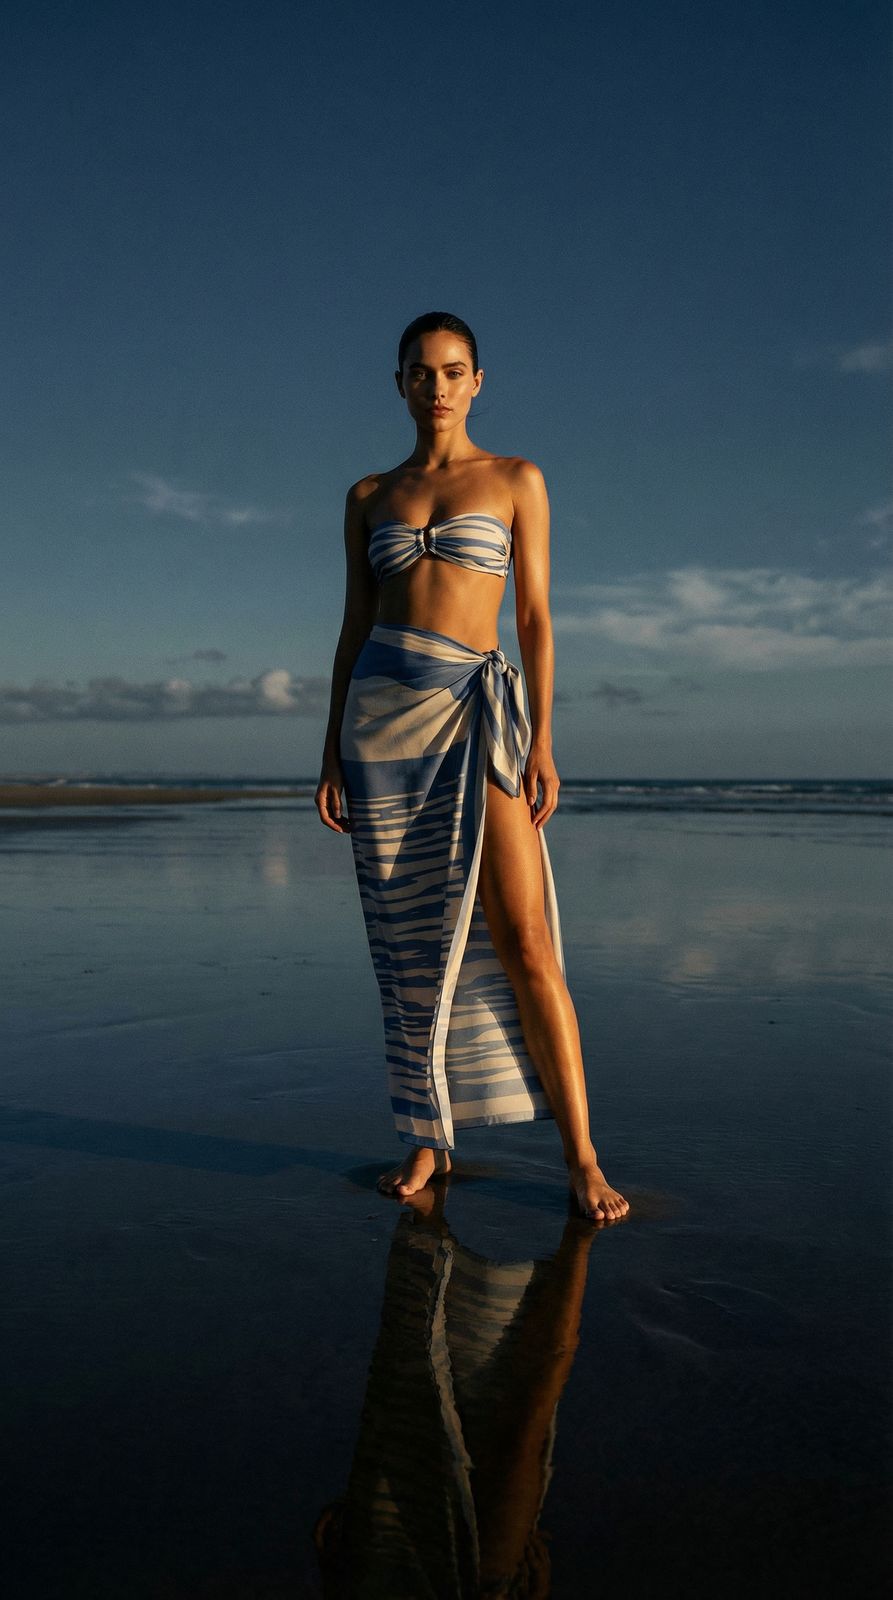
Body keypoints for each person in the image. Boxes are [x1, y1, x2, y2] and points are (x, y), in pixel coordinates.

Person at [315, 311, 629, 1222]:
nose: (437, 386)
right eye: (420, 372)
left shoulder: (516, 479)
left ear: (477, 381)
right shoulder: (368, 495)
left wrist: (543, 741)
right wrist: (329, 745)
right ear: (401, 383)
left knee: (527, 940)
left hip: (479, 714)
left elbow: (533, 618)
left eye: (454, 371)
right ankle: (426, 1136)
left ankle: (580, 1156)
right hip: (379, 724)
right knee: (411, 947)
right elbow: (350, 627)